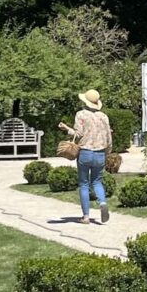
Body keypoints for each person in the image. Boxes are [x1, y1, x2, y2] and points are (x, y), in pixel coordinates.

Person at [59, 89, 112, 224]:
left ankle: (86, 216)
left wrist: (66, 129)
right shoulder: (104, 117)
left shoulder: (81, 115)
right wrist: (107, 152)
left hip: (85, 153)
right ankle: (102, 203)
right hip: (100, 153)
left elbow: (78, 134)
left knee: (83, 184)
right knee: (97, 182)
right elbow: (108, 137)